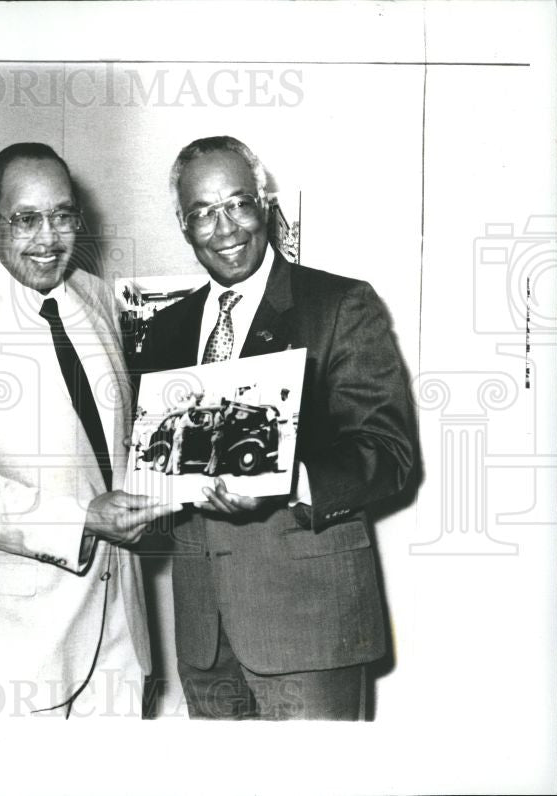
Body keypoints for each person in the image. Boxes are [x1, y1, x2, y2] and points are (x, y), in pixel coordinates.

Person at [140, 136, 415, 720]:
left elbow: (389, 452)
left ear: (265, 204)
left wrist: (284, 481)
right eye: (202, 213)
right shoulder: (166, 329)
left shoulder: (339, 304)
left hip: (309, 625)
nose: (225, 228)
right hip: (204, 632)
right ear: (183, 225)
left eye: (238, 204)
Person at [0, 143, 172, 717]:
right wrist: (84, 519)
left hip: (119, 630)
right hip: (12, 656)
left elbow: (114, 445)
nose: (49, 239)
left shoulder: (96, 298)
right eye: (26, 219)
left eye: (63, 215)